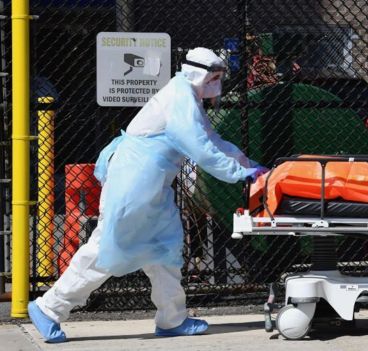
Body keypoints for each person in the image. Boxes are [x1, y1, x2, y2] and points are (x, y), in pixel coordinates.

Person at [27, 47, 267, 343]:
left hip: (151, 187)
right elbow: (200, 147)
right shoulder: (180, 97)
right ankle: (48, 307)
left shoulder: (186, 96)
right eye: (213, 77)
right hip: (135, 183)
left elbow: (212, 139)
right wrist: (240, 173)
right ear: (199, 74)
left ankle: (172, 318)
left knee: (164, 250)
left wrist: (249, 166)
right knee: (106, 248)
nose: (216, 83)